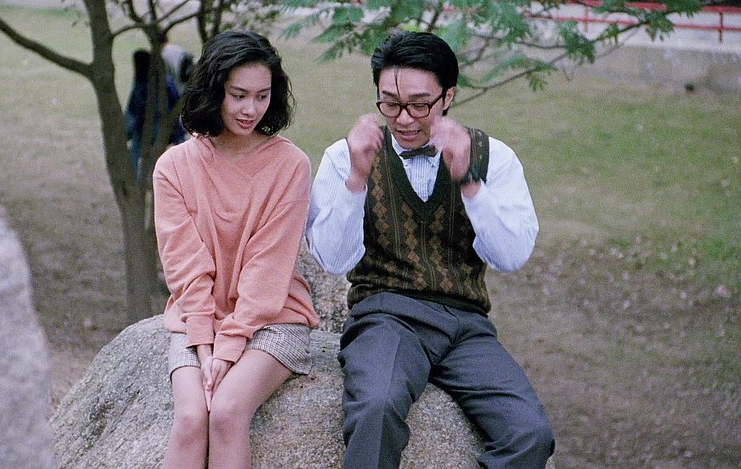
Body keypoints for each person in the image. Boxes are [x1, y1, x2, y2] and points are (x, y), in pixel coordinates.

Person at [305, 31, 555, 468]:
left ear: (448, 96)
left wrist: (470, 182)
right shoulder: (346, 155)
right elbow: (332, 259)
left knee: (530, 434)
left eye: (419, 105)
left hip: (466, 326)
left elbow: (512, 256)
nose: (403, 119)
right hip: (386, 316)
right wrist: (357, 179)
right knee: (377, 407)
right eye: (390, 104)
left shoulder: (492, 156)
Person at [153, 31, 319, 469]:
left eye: (262, 96)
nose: (251, 109)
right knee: (192, 417)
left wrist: (228, 349)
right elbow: (184, 266)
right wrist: (207, 347)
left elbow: (267, 270)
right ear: (214, 91)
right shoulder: (173, 167)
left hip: (273, 319)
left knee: (226, 412)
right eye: (238, 95)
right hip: (197, 318)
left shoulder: (291, 165)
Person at [125, 49, 184, 181]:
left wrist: (125, 134)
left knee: (135, 151)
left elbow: (133, 110)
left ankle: (137, 181)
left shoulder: (142, 85)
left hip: (151, 129)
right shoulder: (165, 81)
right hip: (166, 129)